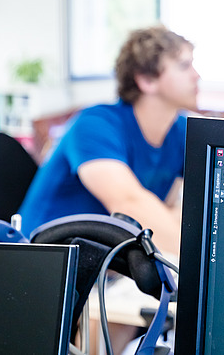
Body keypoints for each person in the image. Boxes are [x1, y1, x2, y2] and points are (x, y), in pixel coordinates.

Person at [18, 25, 200, 254]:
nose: (197, 76)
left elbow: (190, 208)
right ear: (146, 80)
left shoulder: (181, 130)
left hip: (107, 263)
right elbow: (129, 205)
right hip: (45, 262)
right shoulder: (95, 125)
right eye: (184, 66)